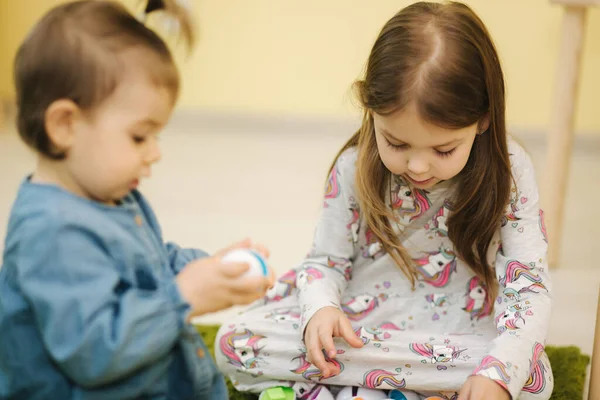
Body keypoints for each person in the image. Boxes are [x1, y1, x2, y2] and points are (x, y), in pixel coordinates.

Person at [215, 2, 553, 400]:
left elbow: (527, 287)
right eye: (396, 142)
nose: (418, 165)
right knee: (235, 341)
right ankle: (403, 387)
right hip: (358, 323)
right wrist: (320, 312)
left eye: (443, 149)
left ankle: (346, 386)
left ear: (483, 119)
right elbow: (325, 262)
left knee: (530, 377)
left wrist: (497, 376)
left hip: (454, 335)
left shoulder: (509, 171)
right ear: (370, 109)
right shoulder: (352, 167)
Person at [0, 1, 273, 399]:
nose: (155, 153)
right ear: (65, 125)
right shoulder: (52, 232)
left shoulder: (109, 194)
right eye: (139, 137)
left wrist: (207, 268)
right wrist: (185, 296)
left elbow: (147, 263)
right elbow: (95, 353)